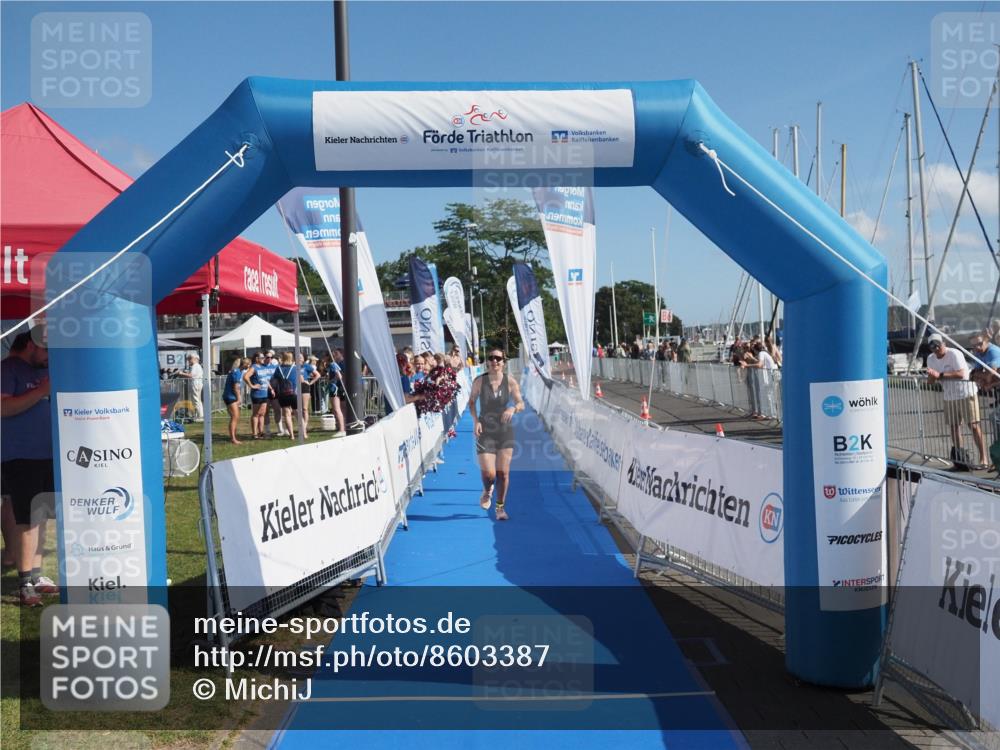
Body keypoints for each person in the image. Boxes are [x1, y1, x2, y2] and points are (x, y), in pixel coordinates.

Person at [1, 328, 58, 606]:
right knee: (27, 519)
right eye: (47, 351)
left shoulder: (42, 370)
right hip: (20, 457)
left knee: (42, 516)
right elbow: (4, 408)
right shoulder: (8, 369)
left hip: (48, 455)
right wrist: (42, 391)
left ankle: (36, 576)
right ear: (31, 346)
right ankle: (25, 584)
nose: (50, 358)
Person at [469, 348, 525, 522]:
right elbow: (471, 402)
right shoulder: (479, 381)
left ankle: (500, 507)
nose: (494, 361)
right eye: (491, 358)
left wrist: (512, 408)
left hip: (504, 431)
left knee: (503, 474)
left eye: (498, 358)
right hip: (485, 430)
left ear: (503, 362)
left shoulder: (510, 382)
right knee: (489, 474)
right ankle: (487, 491)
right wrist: (476, 420)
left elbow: (520, 403)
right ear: (488, 362)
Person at [926, 333, 987, 469]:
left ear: (944, 344)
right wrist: (931, 376)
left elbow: (962, 374)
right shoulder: (930, 359)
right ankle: (960, 459)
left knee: (974, 425)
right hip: (949, 396)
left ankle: (984, 458)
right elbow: (930, 382)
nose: (936, 349)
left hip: (966, 393)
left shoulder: (954, 354)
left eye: (938, 345)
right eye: (933, 347)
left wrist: (940, 375)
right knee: (954, 427)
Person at [243, 351, 275, 439]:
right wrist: (252, 386)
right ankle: (254, 434)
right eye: (262, 358)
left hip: (264, 393)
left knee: (262, 414)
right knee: (256, 414)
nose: (264, 359)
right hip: (257, 394)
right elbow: (245, 377)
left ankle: (261, 432)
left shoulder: (263, 367)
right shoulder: (254, 367)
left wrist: (271, 388)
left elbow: (265, 379)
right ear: (257, 359)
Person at [271, 352, 300, 439]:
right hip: (293, 393)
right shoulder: (295, 368)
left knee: (287, 414)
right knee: (297, 413)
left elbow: (274, 380)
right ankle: (303, 433)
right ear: (291, 358)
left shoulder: (278, 368)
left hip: (282, 394)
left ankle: (291, 435)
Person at [176, 353, 204, 421]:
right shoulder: (197, 366)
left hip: (196, 383)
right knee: (197, 400)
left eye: (189, 359)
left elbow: (191, 375)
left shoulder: (195, 365)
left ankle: (199, 417)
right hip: (197, 383)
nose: (189, 361)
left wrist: (181, 373)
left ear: (194, 359)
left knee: (196, 400)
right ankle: (199, 416)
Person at [222, 357, 244, 444]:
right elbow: (236, 387)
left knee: (234, 417)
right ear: (243, 364)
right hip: (230, 397)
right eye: (247, 363)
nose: (249, 365)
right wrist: (239, 398)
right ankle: (233, 438)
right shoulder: (237, 372)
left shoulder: (235, 371)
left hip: (229, 396)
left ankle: (233, 436)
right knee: (235, 417)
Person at [299, 354, 320, 439]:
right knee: (297, 409)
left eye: (301, 357)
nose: (300, 358)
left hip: (304, 387)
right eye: (298, 357)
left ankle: (304, 428)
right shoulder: (293, 366)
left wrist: (310, 383)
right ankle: (302, 428)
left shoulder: (306, 366)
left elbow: (318, 375)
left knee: (304, 409)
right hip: (295, 387)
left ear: (304, 359)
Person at [326, 353, 346, 435]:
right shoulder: (336, 364)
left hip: (334, 388)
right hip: (339, 388)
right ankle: (343, 427)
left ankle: (341, 429)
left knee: (336, 409)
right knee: (341, 409)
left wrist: (331, 381)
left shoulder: (332, 364)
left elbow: (339, 376)